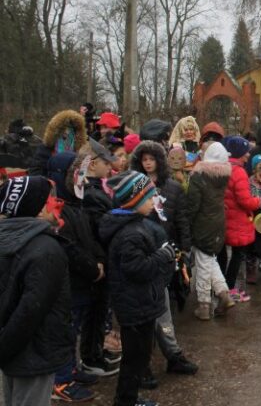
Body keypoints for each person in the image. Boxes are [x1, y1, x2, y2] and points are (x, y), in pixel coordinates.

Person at [99, 170, 177, 406]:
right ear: (135, 200)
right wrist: (163, 256)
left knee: (139, 357)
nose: (154, 201)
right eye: (149, 196)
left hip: (140, 303)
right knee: (134, 358)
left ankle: (129, 398)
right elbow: (138, 269)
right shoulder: (129, 233)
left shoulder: (135, 225)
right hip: (134, 305)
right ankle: (125, 401)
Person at [0, 176, 74, 406]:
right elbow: (32, 309)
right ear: (37, 209)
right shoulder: (45, 250)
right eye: (47, 200)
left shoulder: (8, 240)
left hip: (10, 347)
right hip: (33, 349)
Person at [129, 141, 198, 382]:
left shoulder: (173, 187)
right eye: (144, 159)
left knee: (163, 308)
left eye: (152, 158)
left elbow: (182, 219)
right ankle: (144, 364)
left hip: (166, 252)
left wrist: (185, 249)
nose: (148, 163)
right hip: (141, 254)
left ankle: (172, 356)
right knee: (148, 315)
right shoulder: (133, 187)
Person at [48, 152, 101, 402]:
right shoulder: (57, 208)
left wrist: (97, 261)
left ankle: (71, 368)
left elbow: (86, 240)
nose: (83, 178)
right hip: (68, 283)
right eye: (77, 172)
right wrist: (93, 268)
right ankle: (60, 381)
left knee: (74, 328)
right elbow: (69, 248)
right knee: (65, 330)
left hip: (81, 283)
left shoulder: (75, 204)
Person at [80, 139, 122, 377]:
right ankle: (91, 356)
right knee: (95, 311)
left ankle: (96, 351)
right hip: (100, 258)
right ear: (93, 164)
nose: (111, 166)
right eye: (106, 162)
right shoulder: (92, 193)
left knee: (99, 310)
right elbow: (100, 228)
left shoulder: (96, 188)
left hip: (102, 257)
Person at [185, 142, 235, 321]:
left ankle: (204, 305)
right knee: (210, 260)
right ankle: (224, 295)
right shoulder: (221, 178)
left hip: (202, 225)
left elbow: (192, 205)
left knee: (204, 264)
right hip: (218, 224)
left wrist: (186, 224)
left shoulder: (199, 176)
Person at [220, 136, 261, 300]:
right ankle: (230, 289)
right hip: (237, 221)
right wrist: (257, 201)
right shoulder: (239, 172)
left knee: (223, 256)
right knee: (237, 256)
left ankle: (221, 286)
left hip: (225, 219)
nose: (248, 155)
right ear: (240, 153)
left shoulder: (223, 168)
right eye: (246, 152)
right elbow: (245, 201)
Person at [28, 109, 88, 176]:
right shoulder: (45, 149)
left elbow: (84, 175)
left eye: (72, 131)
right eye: (64, 129)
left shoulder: (80, 153)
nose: (67, 133)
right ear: (55, 132)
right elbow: (35, 173)